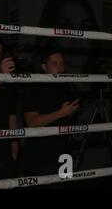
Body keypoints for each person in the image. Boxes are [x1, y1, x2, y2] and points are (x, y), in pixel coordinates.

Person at [21, 45, 79, 178]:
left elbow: (66, 119)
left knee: (65, 184)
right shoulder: (33, 88)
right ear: (44, 67)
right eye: (54, 63)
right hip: (40, 154)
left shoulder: (65, 87)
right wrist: (62, 113)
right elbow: (32, 122)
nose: (60, 67)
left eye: (62, 63)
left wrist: (70, 113)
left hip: (64, 150)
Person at [0, 34, 19, 179]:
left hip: (2, 148)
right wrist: (1, 78)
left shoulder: (5, 80)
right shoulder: (2, 77)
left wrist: (14, 151)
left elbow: (12, 116)